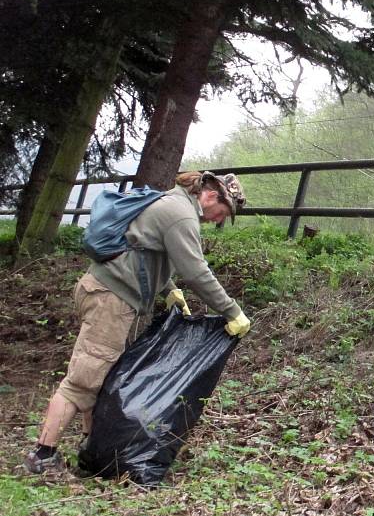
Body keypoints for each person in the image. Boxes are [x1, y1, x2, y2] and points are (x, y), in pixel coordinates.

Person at [23, 171, 252, 474]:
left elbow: (146, 251)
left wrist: (169, 290)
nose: (218, 220)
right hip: (111, 299)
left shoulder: (174, 203)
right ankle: (42, 456)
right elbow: (196, 270)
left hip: (107, 293)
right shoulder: (182, 215)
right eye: (222, 213)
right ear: (212, 196)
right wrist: (232, 310)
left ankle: (93, 452)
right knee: (83, 381)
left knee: (103, 375)